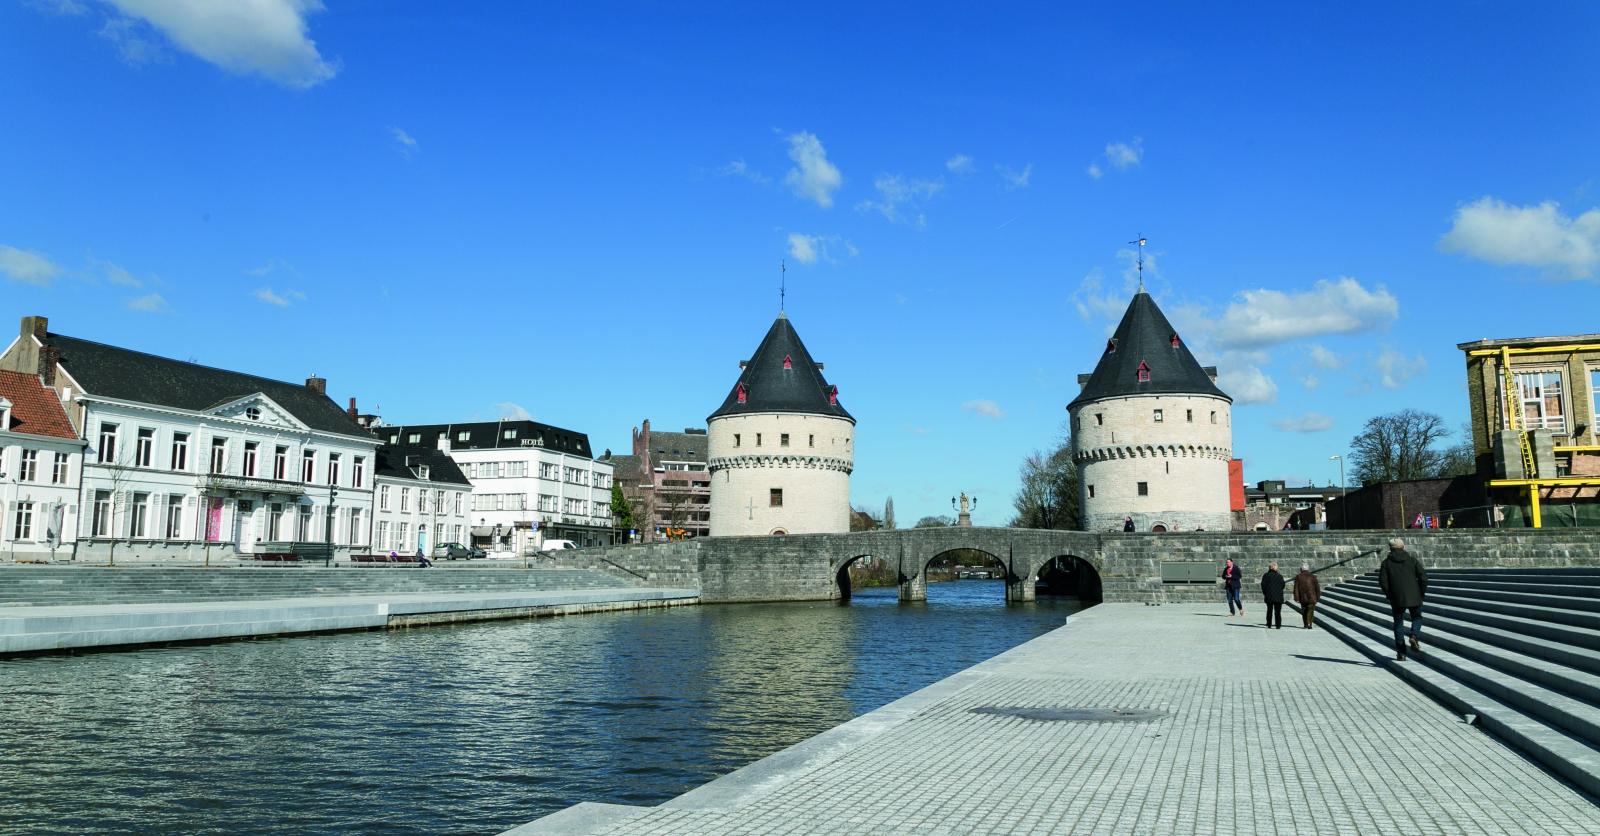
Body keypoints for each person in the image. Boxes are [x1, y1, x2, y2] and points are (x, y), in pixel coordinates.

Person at [1378, 537, 1427, 661]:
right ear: (1403, 547)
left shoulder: (1386, 563)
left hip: (1397, 598)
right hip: (1414, 596)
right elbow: (1423, 578)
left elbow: (1382, 581)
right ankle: (1414, 635)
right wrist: (1421, 593)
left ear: (1390, 549)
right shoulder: (1412, 560)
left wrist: (1389, 594)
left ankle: (1401, 653)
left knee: (1398, 624)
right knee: (1417, 617)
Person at [1293, 563, 1321, 629]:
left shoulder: (1298, 577)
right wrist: (1318, 597)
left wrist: (1296, 597)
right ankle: (1309, 623)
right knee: (1310, 610)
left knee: (1304, 611)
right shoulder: (1313, 576)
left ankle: (1306, 624)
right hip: (1312, 597)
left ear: (1301, 569)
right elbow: (1317, 588)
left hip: (1303, 597)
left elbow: (1296, 588)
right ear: (1308, 569)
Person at [1260, 562, 1285, 629]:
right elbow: (1283, 585)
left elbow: (1263, 585)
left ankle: (1269, 624)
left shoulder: (1266, 575)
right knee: (1278, 612)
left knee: (1269, 610)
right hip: (1278, 597)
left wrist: (1265, 593)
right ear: (1275, 568)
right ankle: (1278, 625)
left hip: (1269, 596)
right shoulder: (1280, 576)